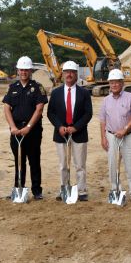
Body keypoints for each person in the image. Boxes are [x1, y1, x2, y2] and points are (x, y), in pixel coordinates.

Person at [2, 56, 48, 199]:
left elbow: (39, 109)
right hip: (16, 131)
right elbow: (6, 108)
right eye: (21, 69)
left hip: (32, 131)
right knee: (18, 161)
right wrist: (12, 127)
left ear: (30, 71)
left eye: (26, 70)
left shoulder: (37, 87)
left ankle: (37, 191)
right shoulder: (12, 87)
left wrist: (28, 126)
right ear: (18, 70)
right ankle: (18, 188)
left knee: (34, 161)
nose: (23, 72)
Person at [47, 60, 93, 201]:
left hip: (79, 133)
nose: (69, 74)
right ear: (63, 74)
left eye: (72, 72)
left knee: (80, 165)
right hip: (61, 134)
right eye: (67, 72)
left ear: (76, 74)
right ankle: (64, 189)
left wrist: (76, 127)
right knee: (63, 165)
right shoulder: (55, 93)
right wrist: (59, 126)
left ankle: (81, 191)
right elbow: (51, 113)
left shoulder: (84, 93)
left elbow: (88, 113)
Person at [99, 69, 131, 203]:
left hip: (129, 136)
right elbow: (102, 120)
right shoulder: (105, 100)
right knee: (113, 167)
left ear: (122, 83)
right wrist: (103, 137)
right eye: (112, 82)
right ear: (109, 84)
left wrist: (125, 129)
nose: (114, 85)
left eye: (117, 82)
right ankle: (115, 191)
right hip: (111, 136)